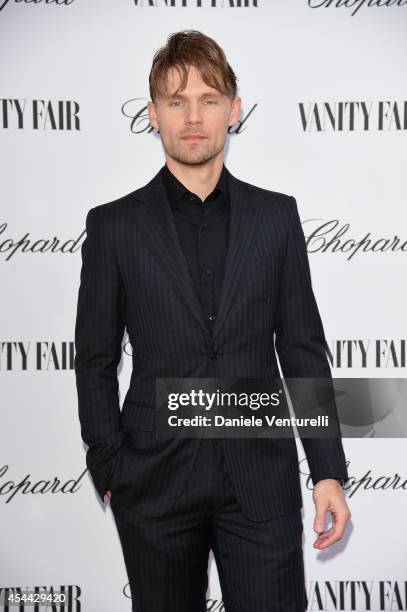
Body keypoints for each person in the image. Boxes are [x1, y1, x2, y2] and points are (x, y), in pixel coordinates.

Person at [74, 29, 351, 612]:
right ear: (153, 114)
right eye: (176, 101)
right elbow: (95, 358)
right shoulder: (114, 226)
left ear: (235, 109)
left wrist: (327, 470)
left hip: (261, 482)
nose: (193, 117)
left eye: (208, 99)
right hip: (154, 482)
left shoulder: (276, 217)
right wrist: (109, 465)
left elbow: (302, 348)